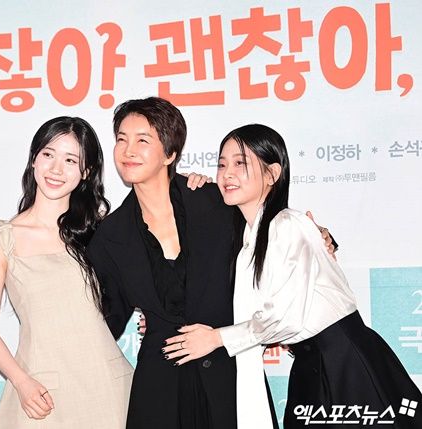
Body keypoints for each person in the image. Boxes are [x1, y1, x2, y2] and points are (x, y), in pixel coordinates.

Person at [87, 98, 333, 429]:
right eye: (121, 139)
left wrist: (321, 237)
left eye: (142, 140)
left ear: (170, 154)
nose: (128, 150)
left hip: (229, 373)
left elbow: (269, 231)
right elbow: (107, 320)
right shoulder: (110, 236)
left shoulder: (215, 200)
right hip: (160, 385)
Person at [162, 124, 422, 428]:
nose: (227, 173)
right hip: (312, 363)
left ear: (272, 174)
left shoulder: (287, 225)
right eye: (221, 165)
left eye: (240, 163)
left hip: (344, 362)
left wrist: (216, 338)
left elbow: (286, 317)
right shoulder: (248, 239)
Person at [0, 116, 133, 429]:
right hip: (41, 392)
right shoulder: (2, 240)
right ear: (34, 159)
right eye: (48, 154)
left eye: (70, 160)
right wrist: (21, 381)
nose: (56, 169)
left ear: (86, 172)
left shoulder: (101, 233)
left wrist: (192, 185)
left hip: (107, 387)